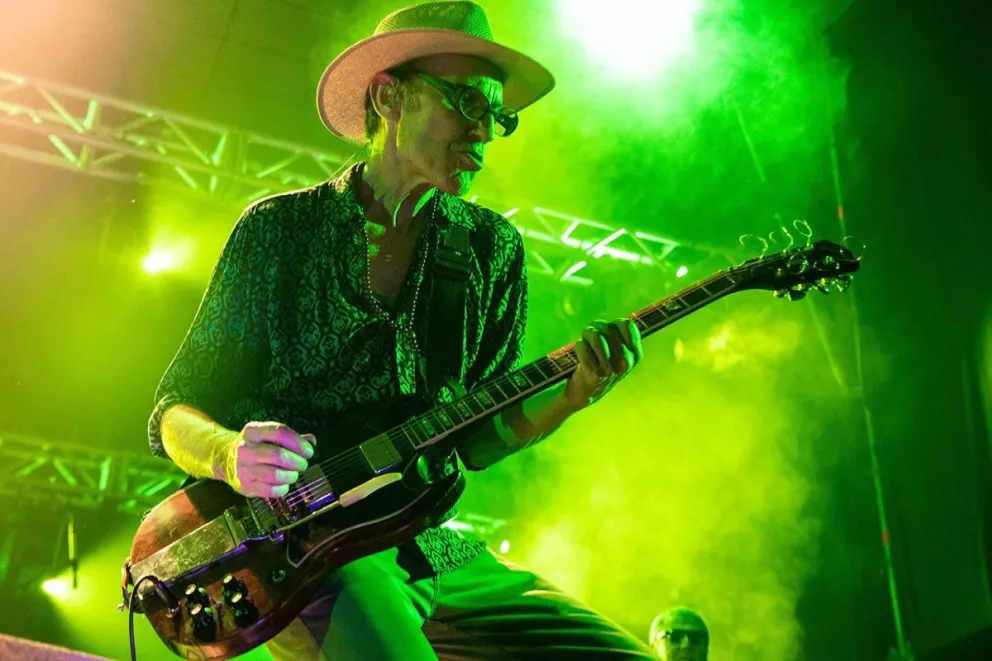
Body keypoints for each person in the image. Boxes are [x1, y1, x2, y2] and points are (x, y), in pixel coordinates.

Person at [149, 1, 653, 658]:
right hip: (308, 555)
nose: (484, 130)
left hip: (435, 545)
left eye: (497, 115)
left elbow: (477, 441)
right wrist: (227, 455)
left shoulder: (491, 249)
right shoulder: (279, 231)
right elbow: (175, 408)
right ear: (389, 96)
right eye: (466, 102)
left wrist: (573, 394)